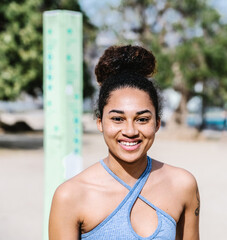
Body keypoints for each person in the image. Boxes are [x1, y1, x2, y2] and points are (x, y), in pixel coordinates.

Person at [49, 45, 200, 240]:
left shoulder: (182, 185)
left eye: (142, 119)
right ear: (100, 123)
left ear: (157, 124)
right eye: (117, 119)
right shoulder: (70, 196)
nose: (130, 131)